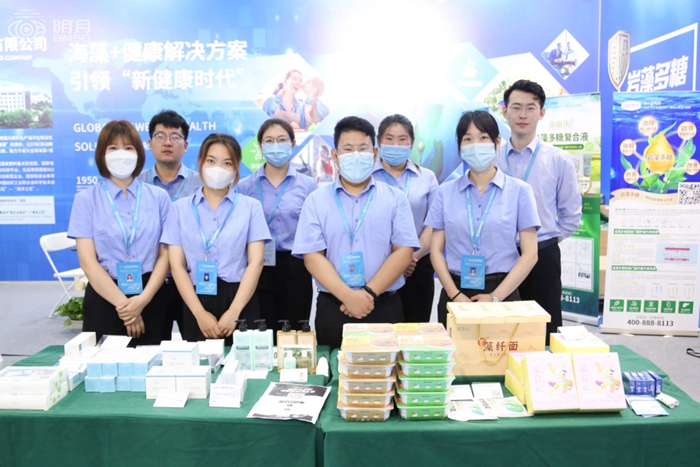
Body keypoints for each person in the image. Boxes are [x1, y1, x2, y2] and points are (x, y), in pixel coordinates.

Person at [292, 116, 419, 349]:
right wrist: (348, 296)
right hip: (334, 306)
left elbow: (403, 251)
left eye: (363, 148)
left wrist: (368, 293)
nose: (356, 155)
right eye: (348, 149)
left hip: (384, 305)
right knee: (333, 368)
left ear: (375, 153)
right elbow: (312, 256)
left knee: (388, 370)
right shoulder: (316, 201)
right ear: (335, 155)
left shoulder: (395, 199)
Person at [426, 110, 540, 327]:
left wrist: (495, 297)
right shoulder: (445, 192)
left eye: (483, 137)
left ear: (496, 143)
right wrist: (454, 294)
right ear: (460, 146)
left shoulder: (520, 191)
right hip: (455, 291)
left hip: (502, 291)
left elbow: (530, 254)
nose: (475, 144)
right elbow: (436, 251)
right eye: (468, 139)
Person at [162, 133, 271, 345]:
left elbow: (256, 262)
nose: (218, 168)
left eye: (227, 163)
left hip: (240, 297)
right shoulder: (179, 209)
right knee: (201, 363)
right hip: (196, 299)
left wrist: (234, 312)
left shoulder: (251, 207)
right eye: (211, 161)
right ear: (200, 162)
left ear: (236, 168)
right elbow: (176, 265)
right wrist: (199, 313)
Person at [68, 120, 170, 345]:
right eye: (113, 148)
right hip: (105, 296)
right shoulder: (86, 200)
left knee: (152, 363)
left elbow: (165, 254)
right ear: (102, 154)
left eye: (128, 148)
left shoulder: (159, 197)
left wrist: (141, 301)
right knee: (104, 363)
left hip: (150, 295)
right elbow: (88, 262)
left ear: (139, 153)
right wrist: (126, 308)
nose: (121, 154)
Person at [497, 80, 582, 341]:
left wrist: (544, 241)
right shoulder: (491, 159)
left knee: (544, 329)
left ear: (542, 113)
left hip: (542, 257)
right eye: (516, 107)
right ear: (504, 111)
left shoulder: (558, 160)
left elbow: (571, 215)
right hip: (499, 255)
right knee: (499, 328)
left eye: (530, 108)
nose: (523, 115)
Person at [236, 119, 317, 337]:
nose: (276, 146)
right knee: (262, 331)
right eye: (269, 141)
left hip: (296, 266)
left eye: (282, 140)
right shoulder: (245, 187)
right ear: (260, 146)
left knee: (296, 332)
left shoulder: (308, 186)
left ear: (292, 144)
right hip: (257, 266)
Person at [138, 110, 202, 340]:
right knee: (149, 347)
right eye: (160, 136)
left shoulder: (203, 184)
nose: (167, 142)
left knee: (198, 346)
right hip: (151, 282)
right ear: (149, 144)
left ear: (185, 145)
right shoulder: (136, 186)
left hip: (192, 280)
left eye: (175, 136)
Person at [372, 114, 438, 323]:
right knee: (380, 330)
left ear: (411, 143)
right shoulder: (367, 177)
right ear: (379, 142)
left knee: (415, 330)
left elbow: (434, 224)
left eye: (402, 139)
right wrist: (396, 261)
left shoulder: (427, 177)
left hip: (417, 266)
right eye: (389, 139)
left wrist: (410, 257)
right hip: (377, 266)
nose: (396, 145)